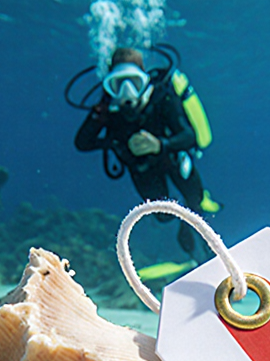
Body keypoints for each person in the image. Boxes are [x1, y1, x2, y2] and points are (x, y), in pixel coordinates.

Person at [75, 47, 220, 259]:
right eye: (118, 84)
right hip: (142, 168)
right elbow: (82, 142)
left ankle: (211, 253)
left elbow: (189, 136)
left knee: (195, 202)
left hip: (172, 158)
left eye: (134, 82)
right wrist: (116, 142)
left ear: (145, 80)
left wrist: (161, 144)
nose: (127, 92)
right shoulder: (106, 109)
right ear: (109, 85)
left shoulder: (161, 97)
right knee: (163, 215)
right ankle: (184, 228)